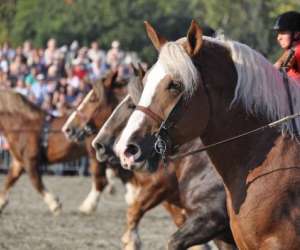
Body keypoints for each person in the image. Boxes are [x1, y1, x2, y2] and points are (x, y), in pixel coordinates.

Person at [273, 11, 300, 81]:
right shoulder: (291, 50)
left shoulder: (296, 51)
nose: (279, 38)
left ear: (296, 34)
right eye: (278, 34)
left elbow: (276, 70)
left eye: (282, 33)